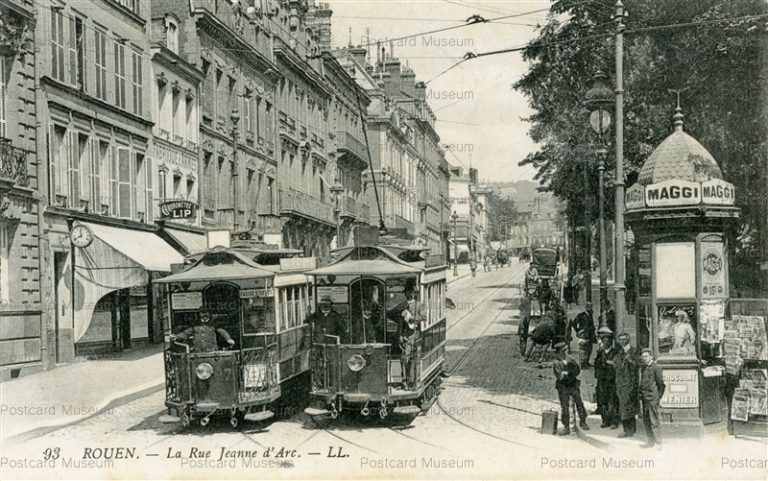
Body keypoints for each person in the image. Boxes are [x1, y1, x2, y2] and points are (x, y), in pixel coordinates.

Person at [553, 342, 590, 435]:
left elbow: (577, 370)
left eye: (566, 350)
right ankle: (566, 427)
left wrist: (568, 373)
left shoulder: (571, 359)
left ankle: (583, 421)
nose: (566, 352)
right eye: (563, 351)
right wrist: (569, 373)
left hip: (573, 385)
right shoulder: (556, 362)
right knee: (564, 406)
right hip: (563, 387)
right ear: (558, 352)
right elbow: (560, 376)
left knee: (579, 403)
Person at [171, 310, 235, 352]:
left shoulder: (214, 324)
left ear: (209, 315)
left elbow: (222, 331)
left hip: (211, 351)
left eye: (206, 313)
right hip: (198, 351)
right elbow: (186, 333)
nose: (204, 316)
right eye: (202, 313)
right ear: (200, 315)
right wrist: (176, 337)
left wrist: (228, 339)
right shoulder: (195, 325)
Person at [594, 327, 620, 429]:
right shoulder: (600, 353)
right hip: (602, 381)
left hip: (612, 380)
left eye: (607, 341)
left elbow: (617, 365)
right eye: (603, 341)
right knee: (602, 401)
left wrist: (611, 363)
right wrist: (598, 374)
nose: (605, 343)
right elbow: (596, 365)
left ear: (610, 342)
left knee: (612, 401)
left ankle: (614, 421)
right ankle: (605, 420)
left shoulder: (615, 352)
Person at [615, 332, 640, 438]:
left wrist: (631, 361)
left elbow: (637, 365)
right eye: (621, 339)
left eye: (624, 339)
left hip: (630, 383)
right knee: (623, 407)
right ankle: (627, 430)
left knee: (629, 406)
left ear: (628, 339)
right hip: (621, 384)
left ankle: (630, 430)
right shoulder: (620, 352)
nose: (623, 341)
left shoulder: (634, 351)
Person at [639, 349, 665, 449]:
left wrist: (657, 397)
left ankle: (658, 443)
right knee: (646, 421)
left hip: (652, 399)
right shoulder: (643, 368)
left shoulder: (656, 367)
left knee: (654, 421)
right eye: (643, 357)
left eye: (646, 356)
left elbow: (661, 384)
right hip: (645, 398)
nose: (644, 358)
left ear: (651, 357)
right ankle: (650, 442)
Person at [399, 298, 423, 388]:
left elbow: (424, 317)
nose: (409, 294)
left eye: (411, 292)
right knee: (404, 359)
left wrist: (413, 318)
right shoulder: (402, 307)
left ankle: (414, 382)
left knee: (414, 361)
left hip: (416, 337)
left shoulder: (420, 305)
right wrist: (400, 336)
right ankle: (404, 381)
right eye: (407, 293)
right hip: (406, 338)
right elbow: (401, 323)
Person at [570, 302, 596, 368]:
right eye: (589, 307)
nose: (591, 308)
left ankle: (586, 362)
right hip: (583, 335)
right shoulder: (581, 315)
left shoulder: (590, 315)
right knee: (583, 349)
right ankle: (582, 364)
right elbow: (573, 323)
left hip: (590, 335)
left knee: (589, 349)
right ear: (586, 307)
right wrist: (578, 331)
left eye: (591, 307)